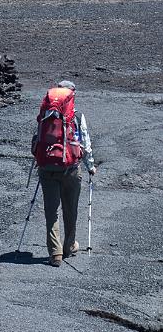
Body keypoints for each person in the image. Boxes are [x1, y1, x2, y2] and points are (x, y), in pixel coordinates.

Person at [33, 80, 96, 267]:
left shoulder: (45, 113)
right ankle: (69, 246)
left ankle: (55, 253)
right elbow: (85, 142)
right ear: (72, 94)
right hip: (70, 168)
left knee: (51, 211)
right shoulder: (76, 115)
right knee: (71, 209)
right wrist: (90, 166)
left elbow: (37, 138)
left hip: (47, 168)